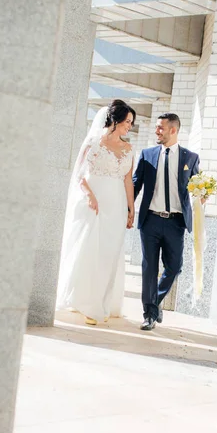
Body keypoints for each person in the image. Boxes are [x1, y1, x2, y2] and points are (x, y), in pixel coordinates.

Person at [56, 100, 136, 325]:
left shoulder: (129, 148)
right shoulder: (93, 142)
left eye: (131, 122)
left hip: (116, 203)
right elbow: (79, 174)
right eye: (127, 121)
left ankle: (101, 302)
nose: (129, 126)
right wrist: (90, 195)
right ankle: (84, 302)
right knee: (88, 249)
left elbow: (128, 180)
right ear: (115, 120)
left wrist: (131, 208)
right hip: (92, 201)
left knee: (109, 253)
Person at [133, 113, 200, 331]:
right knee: (149, 268)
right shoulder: (148, 154)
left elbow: (196, 186)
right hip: (150, 219)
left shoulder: (190, 158)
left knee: (174, 267)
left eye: (161, 128)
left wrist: (203, 194)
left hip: (176, 223)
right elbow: (136, 184)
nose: (157, 131)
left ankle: (156, 302)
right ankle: (149, 314)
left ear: (173, 130)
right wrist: (126, 209)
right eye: (156, 127)